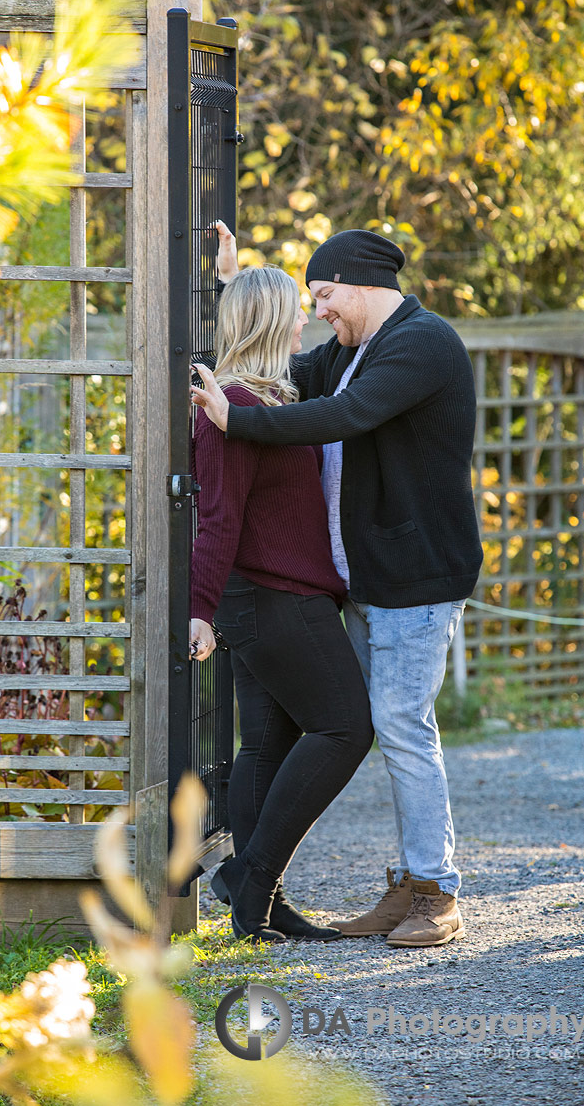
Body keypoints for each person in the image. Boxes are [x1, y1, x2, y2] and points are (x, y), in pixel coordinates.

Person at [191, 224, 483, 948]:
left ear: (360, 284)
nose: (319, 309)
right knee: (367, 726)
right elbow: (278, 359)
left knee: (400, 729)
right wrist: (236, 288)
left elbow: (343, 416)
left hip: (414, 581)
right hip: (367, 583)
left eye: (324, 295)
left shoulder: (422, 344)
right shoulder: (352, 353)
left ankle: (435, 891)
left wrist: (237, 421)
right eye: (310, 298)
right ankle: (404, 883)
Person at [189, 263, 375, 944]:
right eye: (292, 311)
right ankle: (252, 882)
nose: (303, 321)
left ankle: (259, 897)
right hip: (271, 601)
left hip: (273, 598)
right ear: (271, 322)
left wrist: (232, 278)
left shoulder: (260, 399)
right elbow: (218, 518)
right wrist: (200, 608)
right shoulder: (231, 407)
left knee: (266, 747)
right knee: (345, 728)